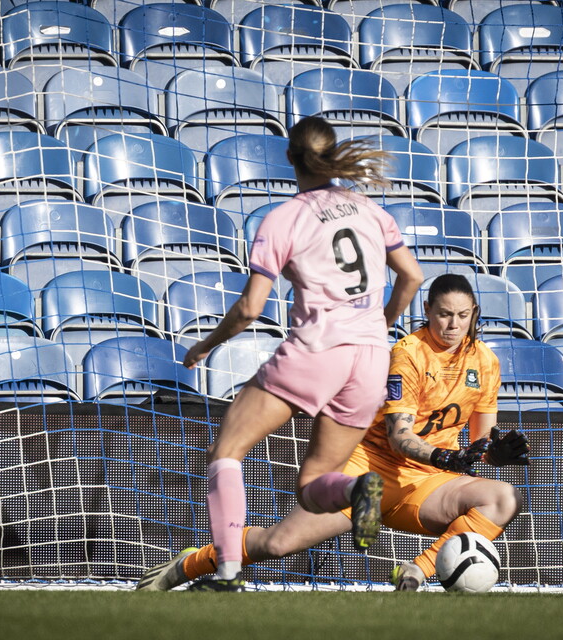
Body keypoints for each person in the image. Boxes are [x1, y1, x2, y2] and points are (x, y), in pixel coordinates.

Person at [139, 273, 530, 592]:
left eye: (462, 315)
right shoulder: (408, 353)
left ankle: (415, 572)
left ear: (474, 313)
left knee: (503, 497)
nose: (453, 324)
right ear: (427, 310)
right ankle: (189, 564)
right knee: (279, 544)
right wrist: (444, 456)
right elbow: (400, 437)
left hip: (429, 484)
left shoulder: (486, 361)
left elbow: (482, 444)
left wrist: (496, 454)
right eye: (444, 314)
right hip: (369, 472)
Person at [171, 116, 424, 591]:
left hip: (317, 350)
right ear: (331, 156)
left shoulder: (283, 218)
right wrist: (381, 323)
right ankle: (355, 488)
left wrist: (205, 344)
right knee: (313, 485)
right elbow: (411, 276)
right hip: (370, 358)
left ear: (289, 157)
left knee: (227, 451)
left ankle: (226, 572)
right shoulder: (367, 208)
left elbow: (250, 308)